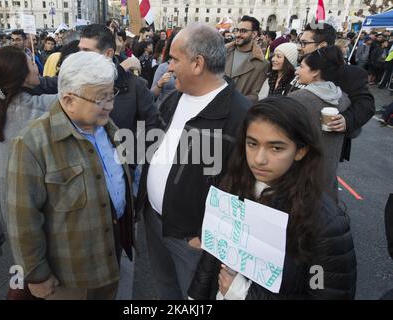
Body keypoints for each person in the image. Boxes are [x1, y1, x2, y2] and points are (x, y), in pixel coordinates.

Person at [188, 97, 357, 300]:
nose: (259, 159)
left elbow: (323, 292)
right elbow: (214, 255)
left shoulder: (325, 224)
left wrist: (243, 295)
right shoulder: (233, 186)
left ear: (301, 151)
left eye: (276, 148)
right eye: (252, 144)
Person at [6, 51, 135, 300]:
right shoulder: (32, 143)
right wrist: (37, 275)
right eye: (101, 98)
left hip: (110, 260)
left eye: (111, 94)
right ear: (68, 100)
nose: (110, 105)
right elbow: (22, 220)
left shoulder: (110, 129)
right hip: (68, 277)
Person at [137, 24, 252, 300]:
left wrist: (206, 234)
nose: (169, 67)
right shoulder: (175, 98)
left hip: (192, 239)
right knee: (165, 289)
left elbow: (242, 189)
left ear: (198, 63)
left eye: (175, 59)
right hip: (155, 222)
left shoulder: (241, 115)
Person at [0, 46, 57, 273]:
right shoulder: (44, 108)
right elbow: (81, 94)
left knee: (25, 271)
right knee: (41, 276)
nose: (37, 66)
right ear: (22, 75)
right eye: (32, 64)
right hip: (44, 214)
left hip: (7, 213)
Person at [298, 23, 375, 162]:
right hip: (295, 140)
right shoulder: (300, 68)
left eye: (304, 43)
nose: (300, 47)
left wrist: (346, 120)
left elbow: (366, 105)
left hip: (325, 151)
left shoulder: (350, 74)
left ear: (322, 45)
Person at [289, 46, 351, 200]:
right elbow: (354, 131)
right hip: (327, 177)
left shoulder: (297, 99)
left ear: (315, 72)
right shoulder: (344, 97)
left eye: (302, 67)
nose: (297, 71)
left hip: (299, 176)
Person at [79, 24, 157, 135]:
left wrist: (133, 151)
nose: (79, 56)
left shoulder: (136, 86)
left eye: (86, 51)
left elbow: (152, 128)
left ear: (108, 54)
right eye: (80, 50)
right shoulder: (76, 80)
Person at [224, 16, 268, 103]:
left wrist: (236, 101)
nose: (237, 34)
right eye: (237, 30)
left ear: (254, 34)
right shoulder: (222, 52)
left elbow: (255, 95)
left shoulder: (261, 64)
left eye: (243, 31)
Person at [151, 31, 177, 108]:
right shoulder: (163, 67)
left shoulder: (190, 68)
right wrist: (160, 83)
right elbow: (151, 95)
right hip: (164, 111)